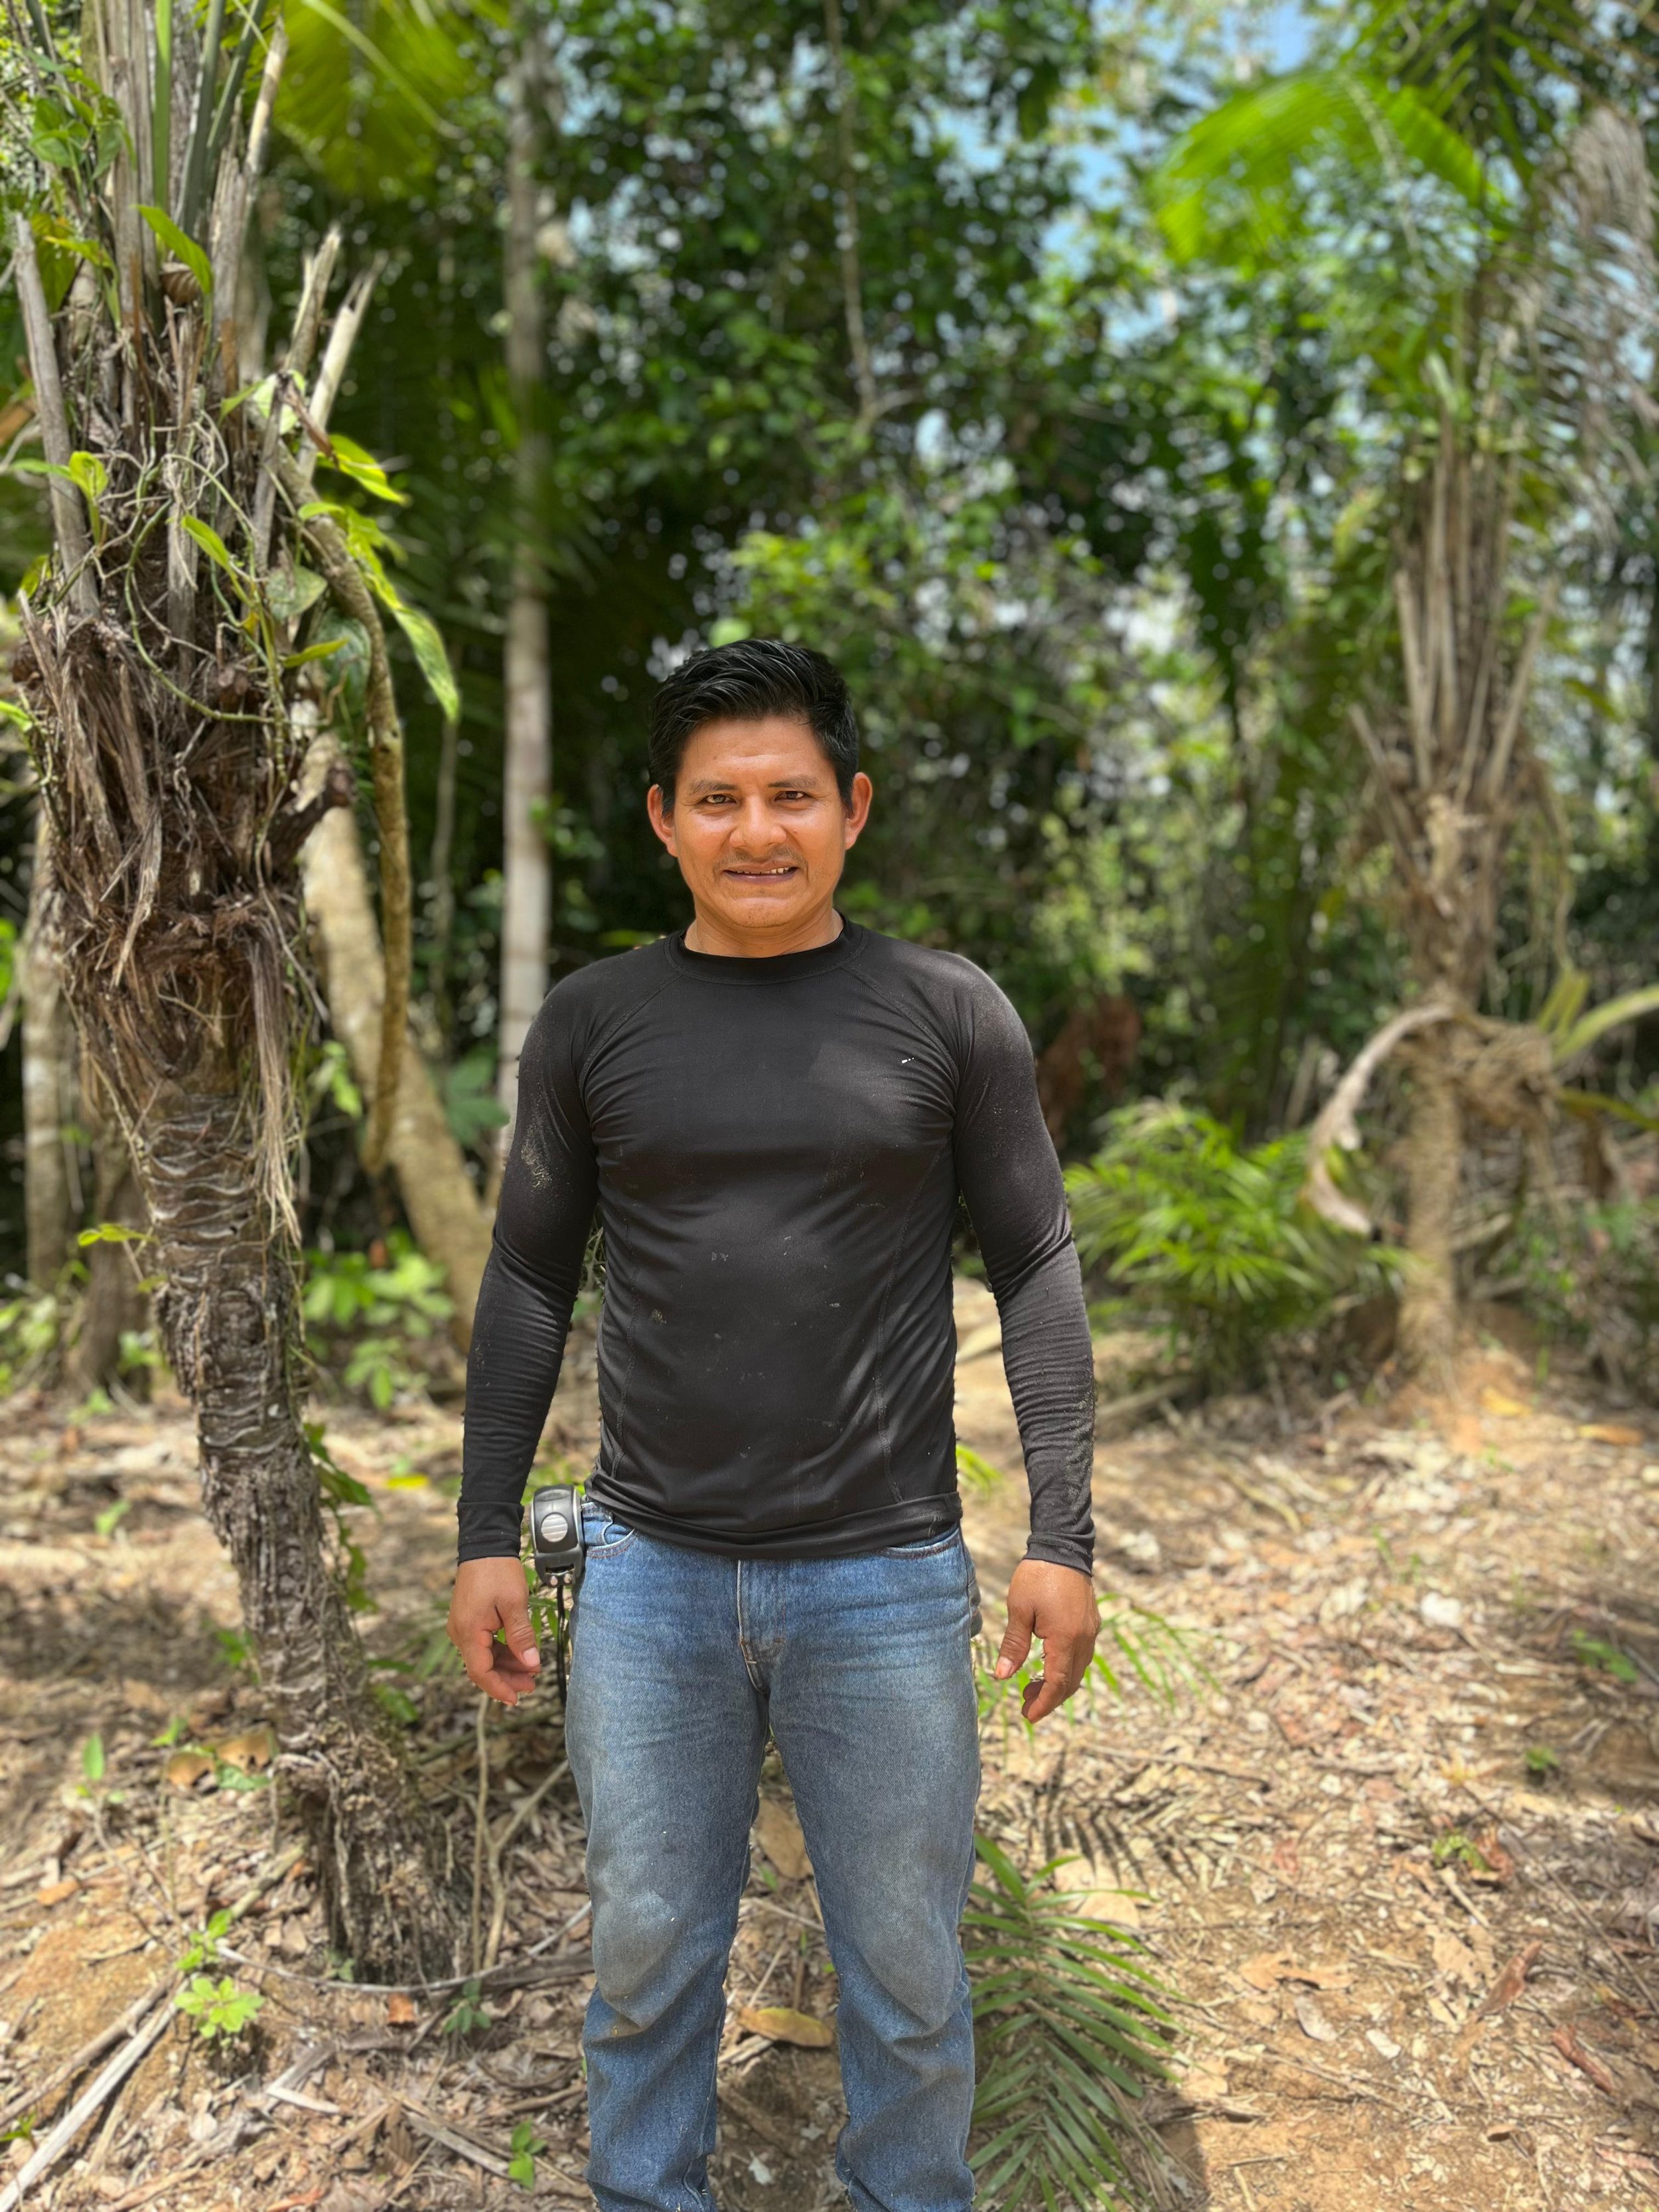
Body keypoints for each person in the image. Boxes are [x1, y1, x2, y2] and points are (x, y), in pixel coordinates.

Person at [448, 638, 1099, 2212]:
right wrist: (481, 1533)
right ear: (662, 820)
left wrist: (1060, 1536)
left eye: (790, 795)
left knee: (903, 1972)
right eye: (719, 799)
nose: (758, 830)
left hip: (880, 1576)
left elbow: (1034, 1263)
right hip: (649, 1572)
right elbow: (531, 1278)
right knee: (646, 1952)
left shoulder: (946, 1010)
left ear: (852, 808)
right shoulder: (595, 1023)